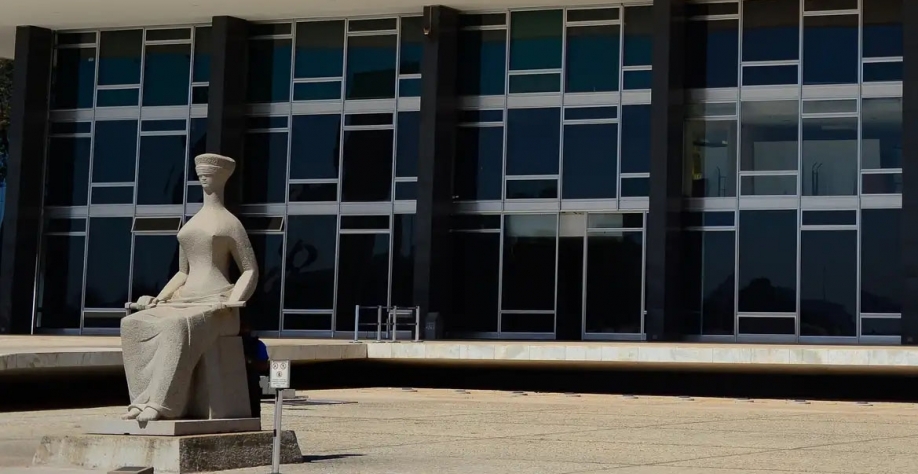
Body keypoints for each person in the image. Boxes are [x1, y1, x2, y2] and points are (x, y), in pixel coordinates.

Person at [120, 154, 259, 422]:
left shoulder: (230, 223)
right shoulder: (192, 223)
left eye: (210, 173)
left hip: (216, 305)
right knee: (132, 325)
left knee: (175, 327)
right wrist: (159, 299)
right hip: (182, 300)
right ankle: (140, 401)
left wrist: (233, 300)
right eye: (201, 173)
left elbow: (250, 269)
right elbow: (183, 272)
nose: (204, 176)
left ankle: (162, 404)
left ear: (222, 178)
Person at [239, 319, 269, 418]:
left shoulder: (257, 345)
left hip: (251, 381)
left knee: (254, 407)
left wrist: (249, 361)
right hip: (234, 381)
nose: (244, 331)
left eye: (246, 328)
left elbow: (264, 366)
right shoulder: (231, 343)